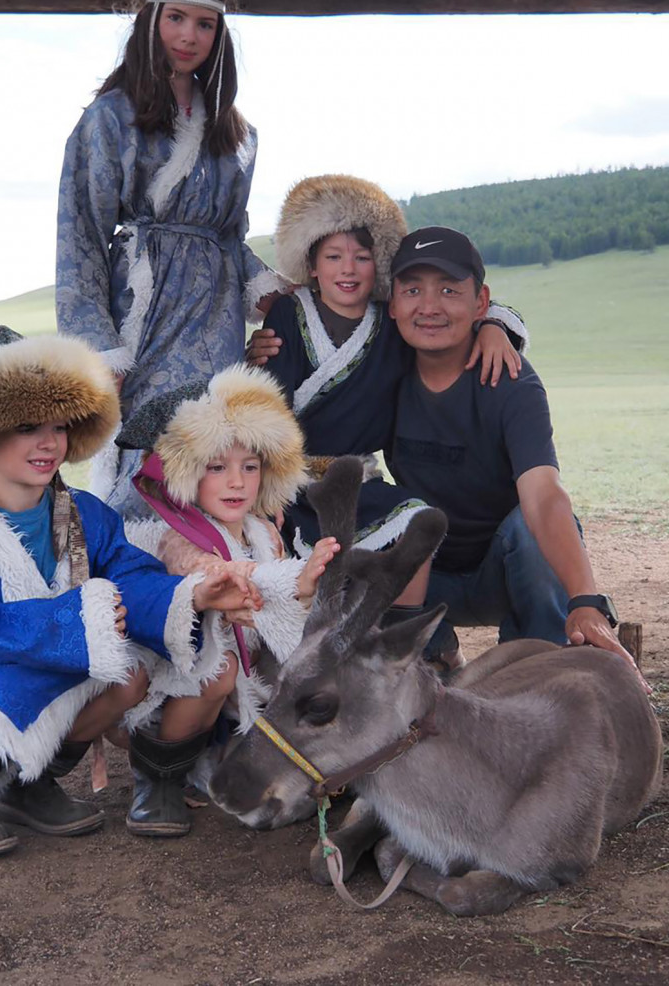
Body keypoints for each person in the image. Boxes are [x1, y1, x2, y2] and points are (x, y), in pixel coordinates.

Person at [0, 326, 261, 862]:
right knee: (2, 695)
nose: (48, 442)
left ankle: (29, 786)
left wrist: (194, 594)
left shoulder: (86, 513)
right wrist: (71, 620)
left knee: (127, 675)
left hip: (55, 672)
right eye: (26, 427)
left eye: (59, 427)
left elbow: (132, 576)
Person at [251, 176, 525, 665]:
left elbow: (451, 311)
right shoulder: (288, 316)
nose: (348, 269)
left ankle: (413, 646)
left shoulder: (393, 318)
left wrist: (494, 327)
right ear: (311, 266)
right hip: (290, 482)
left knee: (415, 520)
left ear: (380, 263)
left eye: (361, 256)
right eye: (333, 257)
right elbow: (262, 409)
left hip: (357, 480)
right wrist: (265, 488)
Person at [56, 0, 287, 518]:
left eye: (204, 23)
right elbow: (79, 233)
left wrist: (275, 298)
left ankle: (215, 581)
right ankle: (141, 577)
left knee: (216, 445)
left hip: (217, 319)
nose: (189, 35)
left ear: (219, 34)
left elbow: (230, 238)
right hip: (145, 309)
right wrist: (98, 344)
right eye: (176, 18)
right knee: (147, 445)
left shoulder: (237, 135)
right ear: (151, 21)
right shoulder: (112, 117)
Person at [385, 226, 644, 680]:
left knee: (528, 524)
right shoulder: (382, 372)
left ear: (480, 302)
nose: (429, 306)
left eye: (449, 290)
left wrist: (585, 599)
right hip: (421, 581)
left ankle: (539, 668)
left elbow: (544, 495)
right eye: (412, 290)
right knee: (351, 527)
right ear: (391, 303)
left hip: (503, 571)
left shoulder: (512, 381)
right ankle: (433, 654)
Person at [115, 364, 339, 833]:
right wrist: (294, 580)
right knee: (220, 671)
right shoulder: (174, 537)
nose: (237, 481)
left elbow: (273, 610)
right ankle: (157, 776)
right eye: (217, 468)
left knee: (294, 664)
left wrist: (302, 588)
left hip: (245, 685)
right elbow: (218, 575)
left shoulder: (264, 533)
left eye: (250, 467)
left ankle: (268, 756)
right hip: (176, 677)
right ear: (188, 474)